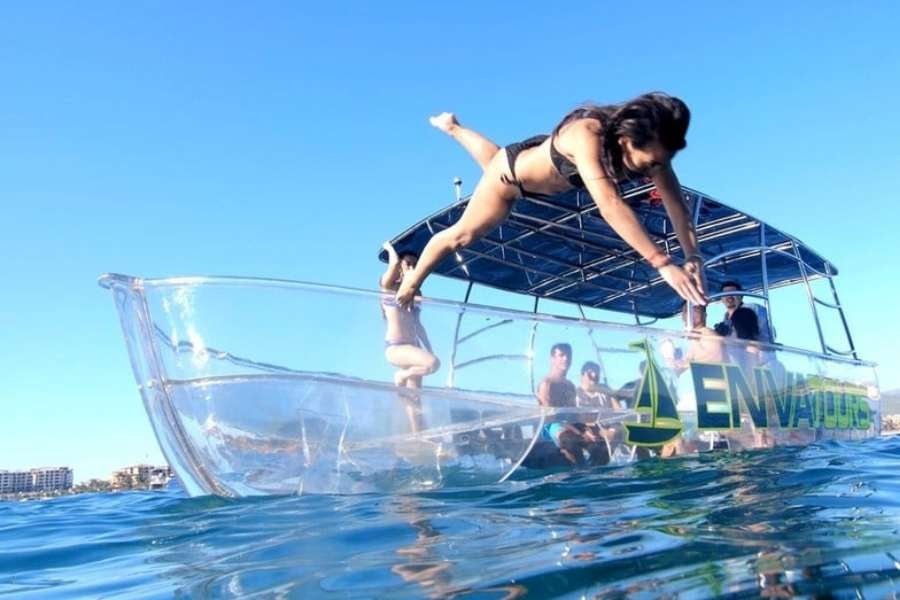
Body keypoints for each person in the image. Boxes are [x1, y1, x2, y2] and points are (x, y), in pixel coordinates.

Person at [395, 93, 707, 309]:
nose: (655, 169)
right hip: (511, 181)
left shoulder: (656, 155)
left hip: (530, 168)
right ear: (626, 140)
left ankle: (452, 126)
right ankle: (410, 284)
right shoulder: (588, 133)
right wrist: (662, 262)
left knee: (494, 160)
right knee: (462, 234)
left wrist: (693, 257)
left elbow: (677, 208)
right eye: (650, 163)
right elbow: (610, 203)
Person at [380, 242, 440, 431]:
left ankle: (418, 434)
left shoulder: (415, 294)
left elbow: (418, 325)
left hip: (412, 347)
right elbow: (393, 264)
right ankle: (402, 374)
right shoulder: (389, 287)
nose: (412, 268)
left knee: (415, 397)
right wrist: (390, 249)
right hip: (396, 347)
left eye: (415, 264)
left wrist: (429, 349)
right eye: (408, 264)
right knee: (432, 364)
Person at [536, 343, 608, 465]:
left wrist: (586, 429)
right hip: (551, 427)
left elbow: (574, 414)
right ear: (552, 359)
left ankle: (594, 474)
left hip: (570, 424)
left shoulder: (570, 385)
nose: (566, 359)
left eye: (568, 355)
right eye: (561, 355)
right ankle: (577, 472)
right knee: (571, 440)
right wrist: (579, 432)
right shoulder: (546, 384)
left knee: (601, 447)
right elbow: (550, 417)